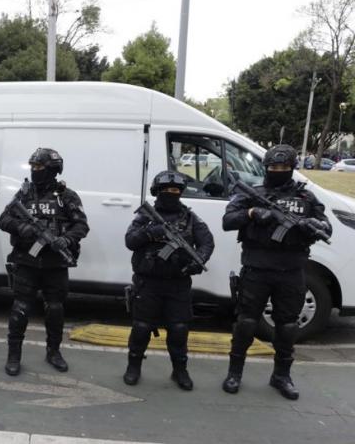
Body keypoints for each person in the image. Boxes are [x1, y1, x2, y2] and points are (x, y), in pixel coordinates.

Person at [221, 144, 332, 400]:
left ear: (292, 168)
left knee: (287, 326)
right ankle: (234, 373)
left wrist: (315, 224)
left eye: (284, 167)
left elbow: (326, 228)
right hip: (256, 269)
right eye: (273, 167)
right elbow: (228, 221)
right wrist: (251, 212)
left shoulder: (306, 197)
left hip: (291, 270)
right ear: (266, 168)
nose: (278, 170)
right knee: (246, 323)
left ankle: (282, 376)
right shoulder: (253, 194)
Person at [0, 148, 89, 375]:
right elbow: (4, 219)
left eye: (39, 167)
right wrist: (22, 227)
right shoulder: (24, 194)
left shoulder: (66, 196)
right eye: (33, 167)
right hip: (26, 261)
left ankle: (53, 352)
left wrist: (66, 239)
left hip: (55, 264)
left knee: (55, 310)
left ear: (53, 170)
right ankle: (13, 356)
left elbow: (81, 225)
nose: (35, 171)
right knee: (20, 309)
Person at [122, 171, 215, 390]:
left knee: (179, 329)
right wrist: (150, 233)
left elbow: (207, 242)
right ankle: (133, 367)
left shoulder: (190, 219)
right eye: (166, 190)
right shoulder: (145, 217)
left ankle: (180, 370)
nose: (170, 193)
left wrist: (199, 260)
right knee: (141, 327)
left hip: (178, 283)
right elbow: (130, 241)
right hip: (148, 283)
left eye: (175, 190)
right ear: (157, 192)